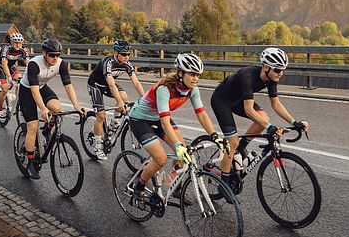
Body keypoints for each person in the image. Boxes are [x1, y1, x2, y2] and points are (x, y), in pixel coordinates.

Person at [128, 53, 227, 204]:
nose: (196, 78)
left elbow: (202, 114)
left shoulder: (193, 89)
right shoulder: (164, 89)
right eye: (192, 74)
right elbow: (165, 122)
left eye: (198, 75)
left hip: (159, 118)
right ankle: (139, 187)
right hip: (140, 119)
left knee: (184, 152)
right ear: (180, 73)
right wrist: (176, 146)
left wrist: (215, 135)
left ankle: (174, 186)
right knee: (161, 159)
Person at [210, 47, 308, 191]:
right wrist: (270, 127)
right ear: (266, 67)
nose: (281, 73)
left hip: (238, 100)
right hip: (221, 101)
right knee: (232, 141)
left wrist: (294, 122)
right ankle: (223, 183)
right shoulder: (248, 76)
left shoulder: (271, 78)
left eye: (283, 70)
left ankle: (240, 149)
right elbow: (249, 110)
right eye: (278, 70)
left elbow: (276, 103)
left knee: (263, 118)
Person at [18, 38, 86, 179]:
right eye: (52, 55)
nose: (55, 58)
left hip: (42, 87)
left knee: (57, 108)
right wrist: (43, 109)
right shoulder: (34, 64)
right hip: (27, 90)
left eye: (58, 55)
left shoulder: (61, 64)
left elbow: (68, 86)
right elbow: (34, 91)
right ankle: (30, 161)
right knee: (33, 126)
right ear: (44, 53)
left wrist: (76, 105)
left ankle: (47, 129)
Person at [86, 39, 145, 160]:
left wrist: (144, 98)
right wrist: (119, 102)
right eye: (123, 54)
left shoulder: (127, 64)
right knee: (101, 116)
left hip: (107, 84)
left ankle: (113, 124)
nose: (126, 57)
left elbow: (136, 82)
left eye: (129, 54)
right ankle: (97, 146)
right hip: (96, 85)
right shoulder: (108, 63)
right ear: (116, 53)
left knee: (124, 97)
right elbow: (112, 85)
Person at [0, 33, 29, 119]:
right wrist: (9, 78)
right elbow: (4, 64)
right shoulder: (6, 48)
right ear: (11, 42)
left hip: (11, 67)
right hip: (1, 67)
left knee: (20, 79)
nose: (18, 45)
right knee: (5, 89)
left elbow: (28, 63)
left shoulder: (23, 49)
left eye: (20, 43)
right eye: (15, 43)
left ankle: (17, 100)